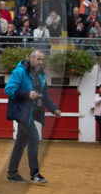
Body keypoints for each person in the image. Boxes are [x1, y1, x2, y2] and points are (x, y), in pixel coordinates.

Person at [5, 49, 61, 182]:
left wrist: (53, 109)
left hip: (30, 112)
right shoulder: (19, 71)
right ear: (31, 59)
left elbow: (45, 94)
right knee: (34, 139)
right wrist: (27, 94)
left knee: (20, 143)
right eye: (38, 59)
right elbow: (9, 89)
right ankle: (34, 174)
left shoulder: (41, 74)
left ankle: (12, 173)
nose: (41, 62)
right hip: (22, 113)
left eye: (42, 59)